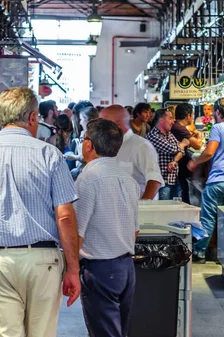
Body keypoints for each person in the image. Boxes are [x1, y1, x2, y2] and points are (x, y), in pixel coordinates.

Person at [0, 87, 81, 337]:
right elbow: (64, 216)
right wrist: (73, 269)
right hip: (44, 262)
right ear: (32, 117)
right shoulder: (49, 154)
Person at [74, 118, 141, 337]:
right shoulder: (128, 179)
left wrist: (70, 271)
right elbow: (135, 230)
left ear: (89, 145)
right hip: (126, 268)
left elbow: (77, 235)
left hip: (100, 269)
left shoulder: (88, 179)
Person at [188, 98, 224, 263]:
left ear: (218, 112)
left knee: (208, 218)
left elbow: (209, 152)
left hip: (218, 180)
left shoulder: (218, 128)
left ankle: (199, 253)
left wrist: (195, 162)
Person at [101, 105, 164, 200]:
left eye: (103, 123)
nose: (99, 128)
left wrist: (142, 207)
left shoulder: (141, 146)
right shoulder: (107, 145)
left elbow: (154, 180)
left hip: (136, 210)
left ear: (116, 124)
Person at [147, 109, 189, 200]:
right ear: (161, 120)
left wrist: (174, 160)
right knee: (164, 211)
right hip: (161, 182)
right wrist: (183, 143)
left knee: (176, 210)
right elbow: (172, 149)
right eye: (170, 118)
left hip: (174, 180)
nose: (173, 122)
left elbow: (182, 152)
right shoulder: (153, 136)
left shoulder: (169, 134)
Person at [171, 103, 204, 204]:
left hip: (177, 169)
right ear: (188, 116)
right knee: (182, 194)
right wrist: (199, 136)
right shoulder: (179, 128)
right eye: (192, 115)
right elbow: (197, 145)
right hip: (178, 169)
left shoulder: (178, 127)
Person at [67, 106, 100, 179]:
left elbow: (87, 156)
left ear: (88, 120)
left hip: (88, 173)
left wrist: (73, 156)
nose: (80, 122)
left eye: (81, 119)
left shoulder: (91, 136)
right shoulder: (93, 134)